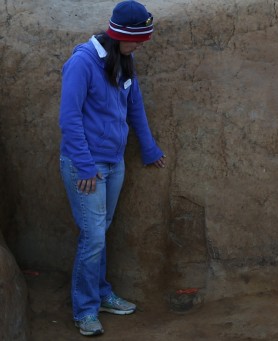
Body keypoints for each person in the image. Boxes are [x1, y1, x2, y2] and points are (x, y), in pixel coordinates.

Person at [58, 0, 165, 336]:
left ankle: (102, 294)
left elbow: (135, 107)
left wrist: (148, 148)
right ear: (121, 34)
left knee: (100, 234)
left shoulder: (124, 59)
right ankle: (85, 310)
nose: (141, 46)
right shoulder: (82, 62)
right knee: (92, 238)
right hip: (86, 166)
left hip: (114, 163)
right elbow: (69, 118)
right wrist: (86, 166)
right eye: (138, 39)